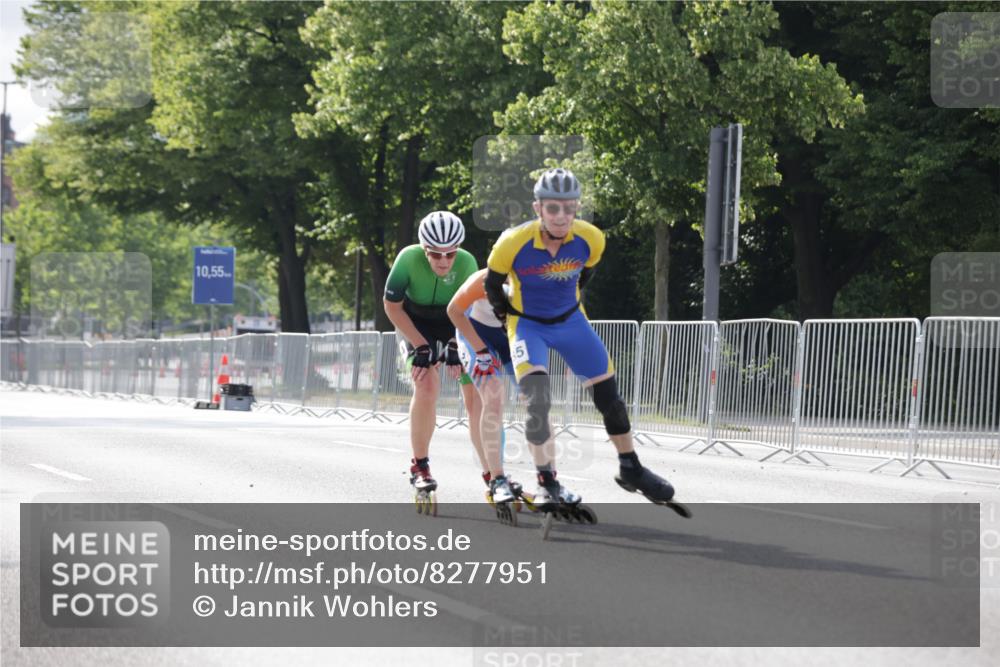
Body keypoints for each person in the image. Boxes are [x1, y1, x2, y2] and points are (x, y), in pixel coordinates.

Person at [484, 168, 685, 513]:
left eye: (569, 207)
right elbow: (492, 286)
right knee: (538, 401)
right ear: (538, 208)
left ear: (577, 206)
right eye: (552, 208)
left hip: (571, 321)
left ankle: (631, 467)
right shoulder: (512, 243)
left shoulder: (591, 239)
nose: (561, 216)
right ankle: (547, 481)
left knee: (610, 399)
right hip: (528, 325)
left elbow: (585, 276)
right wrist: (507, 317)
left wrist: (563, 304)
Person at [383, 211, 480, 500]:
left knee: (474, 390)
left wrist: (454, 345)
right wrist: (420, 345)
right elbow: (392, 307)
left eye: (450, 253)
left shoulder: (468, 262)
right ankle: (420, 466)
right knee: (426, 384)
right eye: (436, 254)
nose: (444, 261)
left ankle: (492, 473)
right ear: (424, 249)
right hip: (415, 324)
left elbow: (471, 311)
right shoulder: (407, 259)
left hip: (454, 323)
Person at [447, 268, 520, 504]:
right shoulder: (484, 279)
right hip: (476, 336)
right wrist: (480, 351)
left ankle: (548, 479)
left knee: (537, 398)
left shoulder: (537, 278)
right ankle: (496, 478)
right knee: (493, 396)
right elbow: (453, 310)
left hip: (509, 337)